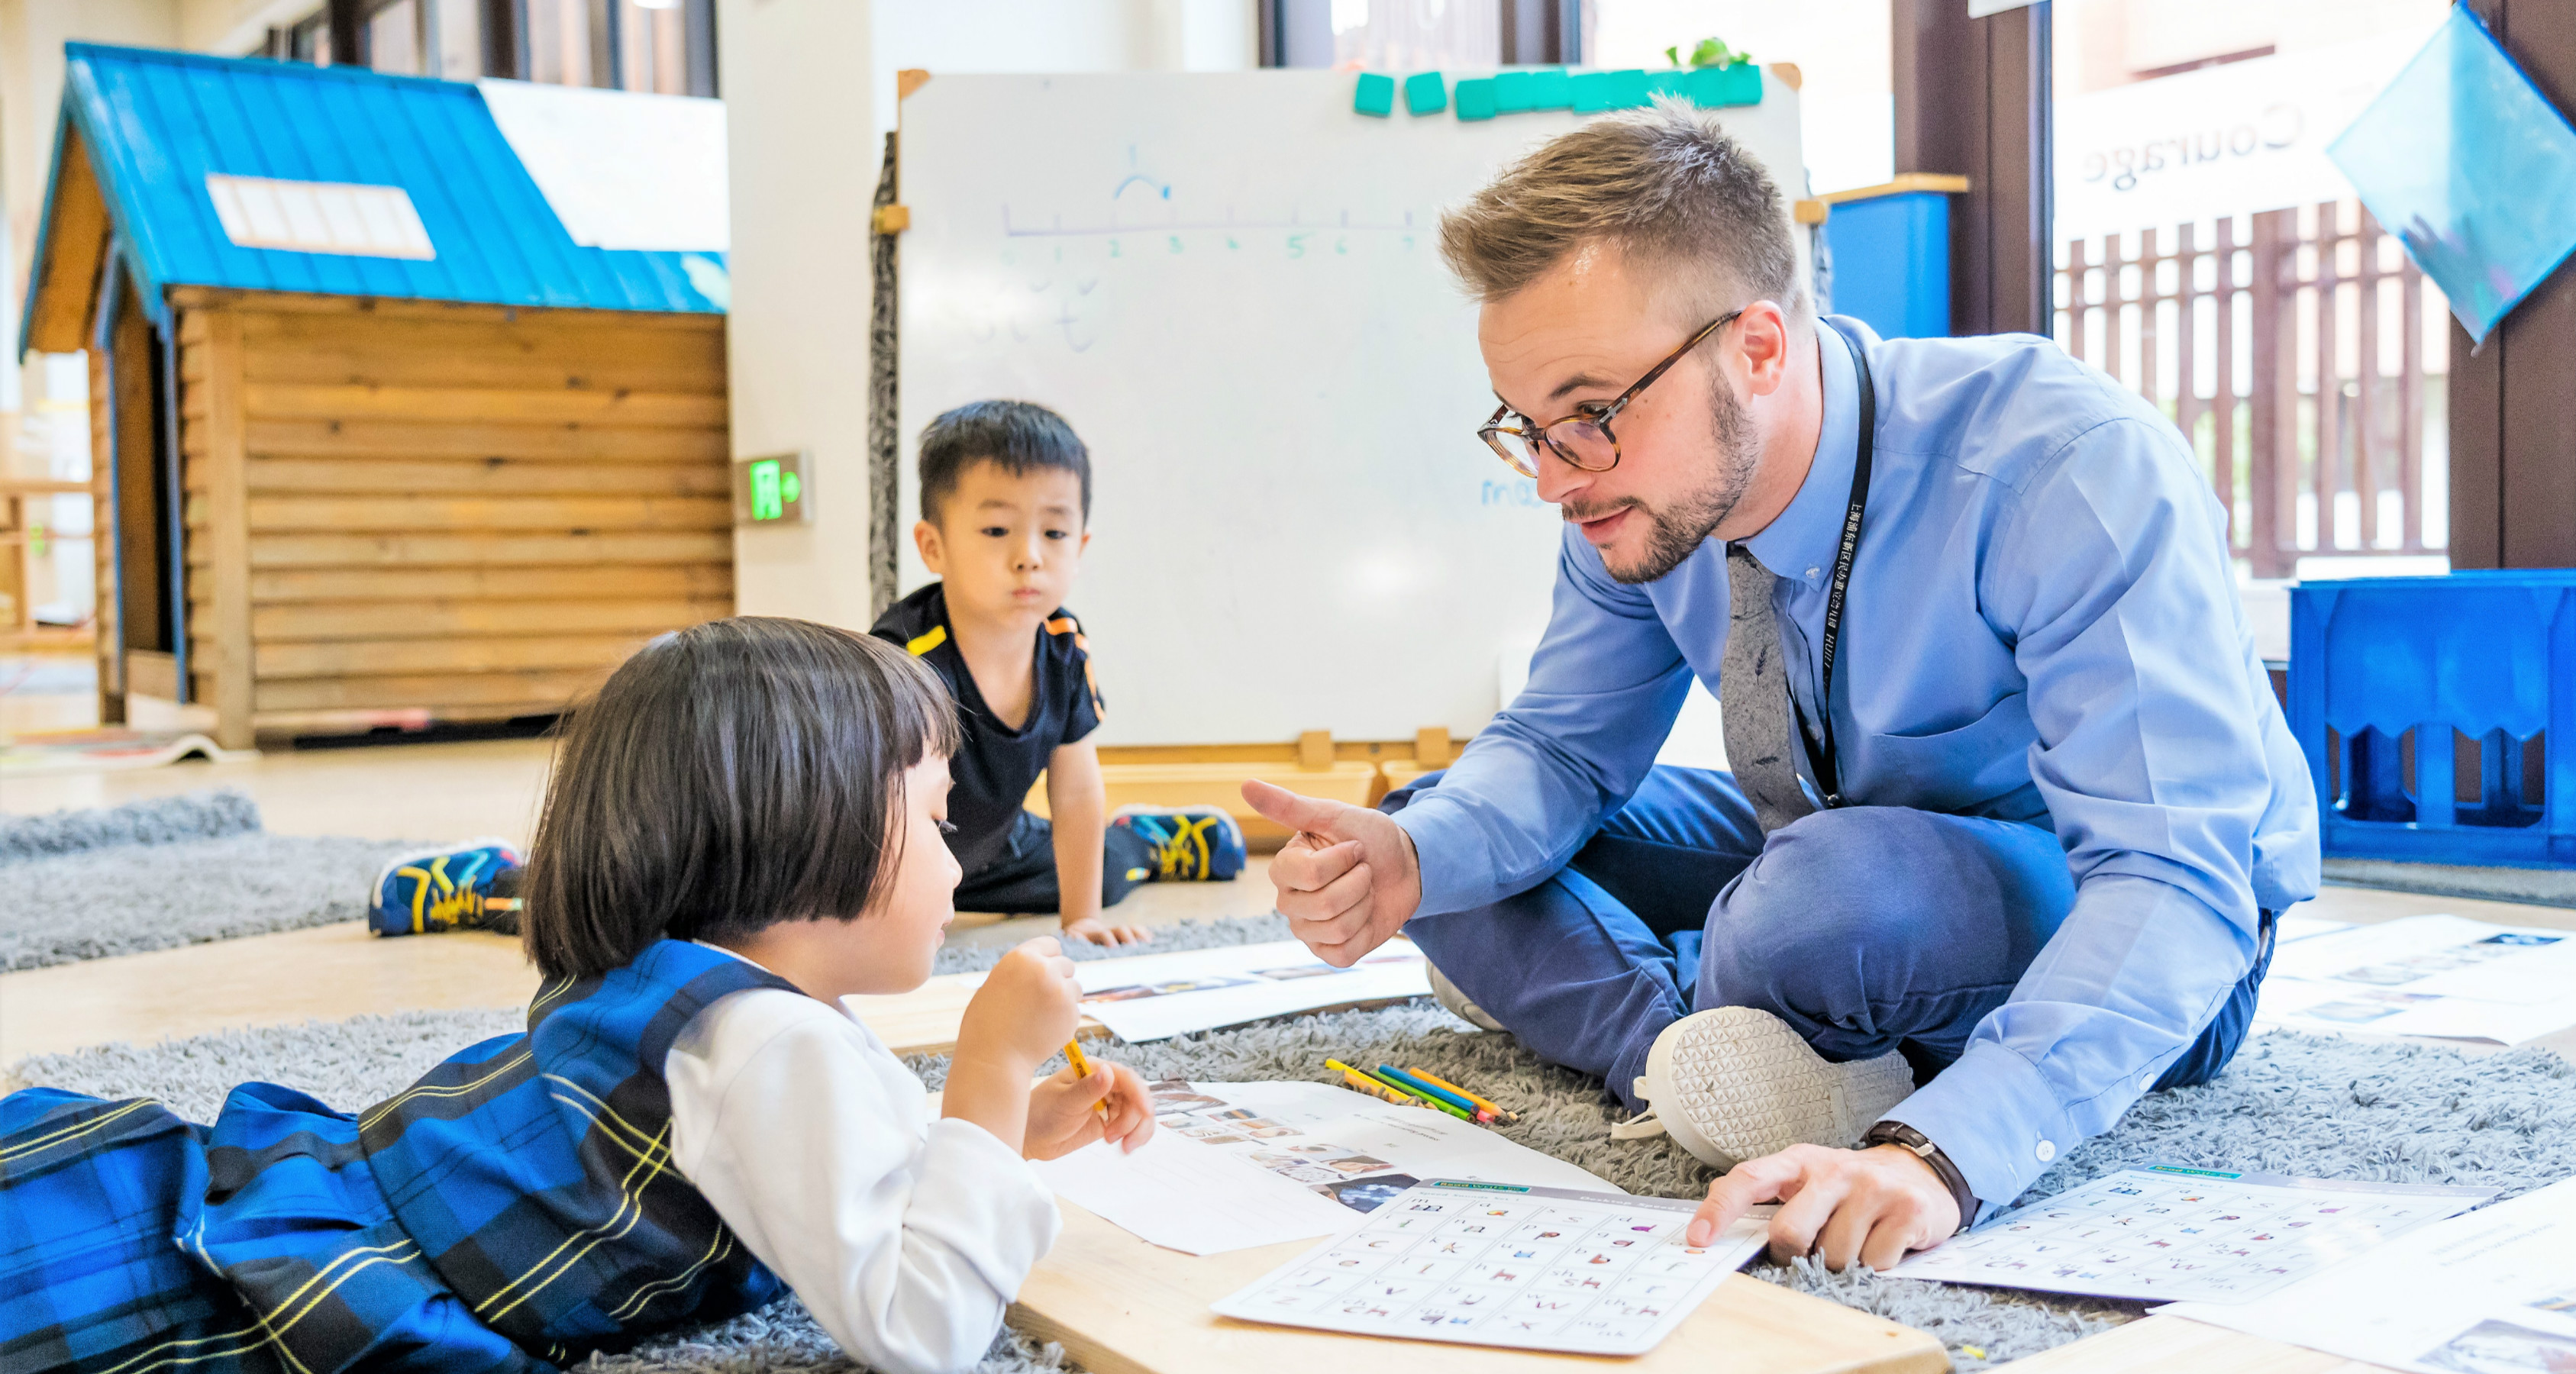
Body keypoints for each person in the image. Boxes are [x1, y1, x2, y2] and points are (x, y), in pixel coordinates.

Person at [1244, 102, 2318, 1272]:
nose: (1553, 478)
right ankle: (1697, 1057)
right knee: (1441, 830)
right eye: (1528, 428)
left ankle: (1678, 1007)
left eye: (1591, 415)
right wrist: (1411, 865)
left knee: (1815, 907)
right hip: (1817, 833)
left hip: (2133, 910)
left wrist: (1941, 1155)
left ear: (1756, 348)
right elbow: (1559, 751)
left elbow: (2174, 877)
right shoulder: (1628, 499)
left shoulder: (2058, 465)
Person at [0, 618, 1154, 1374]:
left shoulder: (736, 998)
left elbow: (838, 1156)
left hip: (348, 1186)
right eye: (938, 817)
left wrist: (1005, 1133)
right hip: (347, 1273)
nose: (961, 863)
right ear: (811, 834)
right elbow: (922, 1334)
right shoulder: (762, 1044)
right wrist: (992, 1070)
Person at [874, 400, 1245, 947]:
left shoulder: (1062, 642)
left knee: (1103, 876)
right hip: (898, 853)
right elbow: (879, 813)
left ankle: (1145, 839)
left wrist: (1082, 920)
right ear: (934, 546)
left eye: (1053, 533)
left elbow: (1073, 790)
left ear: (1081, 547)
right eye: (997, 529)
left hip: (996, 847)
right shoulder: (905, 657)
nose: (1029, 557)